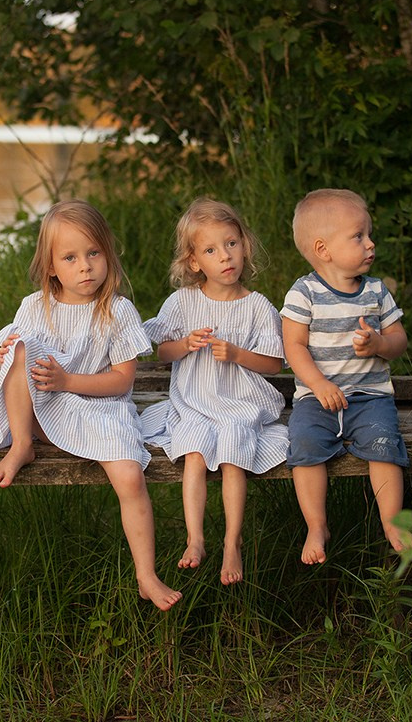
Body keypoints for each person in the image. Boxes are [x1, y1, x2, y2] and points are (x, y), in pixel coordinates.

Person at [0, 199, 182, 611]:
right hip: (45, 410)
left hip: (100, 408)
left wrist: (69, 380)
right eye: (71, 257)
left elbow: (122, 381)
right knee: (20, 348)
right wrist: (11, 352)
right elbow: (19, 369)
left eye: (94, 253)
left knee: (130, 477)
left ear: (108, 254)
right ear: (52, 267)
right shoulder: (34, 307)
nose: (86, 266)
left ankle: (145, 573)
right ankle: (21, 443)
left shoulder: (117, 311)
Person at [141, 198, 288, 586]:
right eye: (210, 250)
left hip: (240, 402)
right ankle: (196, 539)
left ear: (245, 245)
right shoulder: (183, 302)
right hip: (195, 401)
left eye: (231, 244)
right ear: (194, 262)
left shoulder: (257, 307)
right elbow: (162, 351)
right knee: (194, 450)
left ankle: (232, 542)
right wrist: (185, 344)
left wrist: (239, 354)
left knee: (233, 453)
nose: (225, 256)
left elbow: (275, 364)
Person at [280, 188, 411, 565]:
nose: (370, 244)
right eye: (358, 236)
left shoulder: (376, 291)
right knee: (304, 446)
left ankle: (391, 522)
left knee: (384, 445)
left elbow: (399, 340)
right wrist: (319, 384)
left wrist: (380, 345)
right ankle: (317, 525)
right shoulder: (304, 293)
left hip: (369, 396)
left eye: (369, 234)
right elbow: (294, 346)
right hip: (317, 398)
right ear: (324, 249)